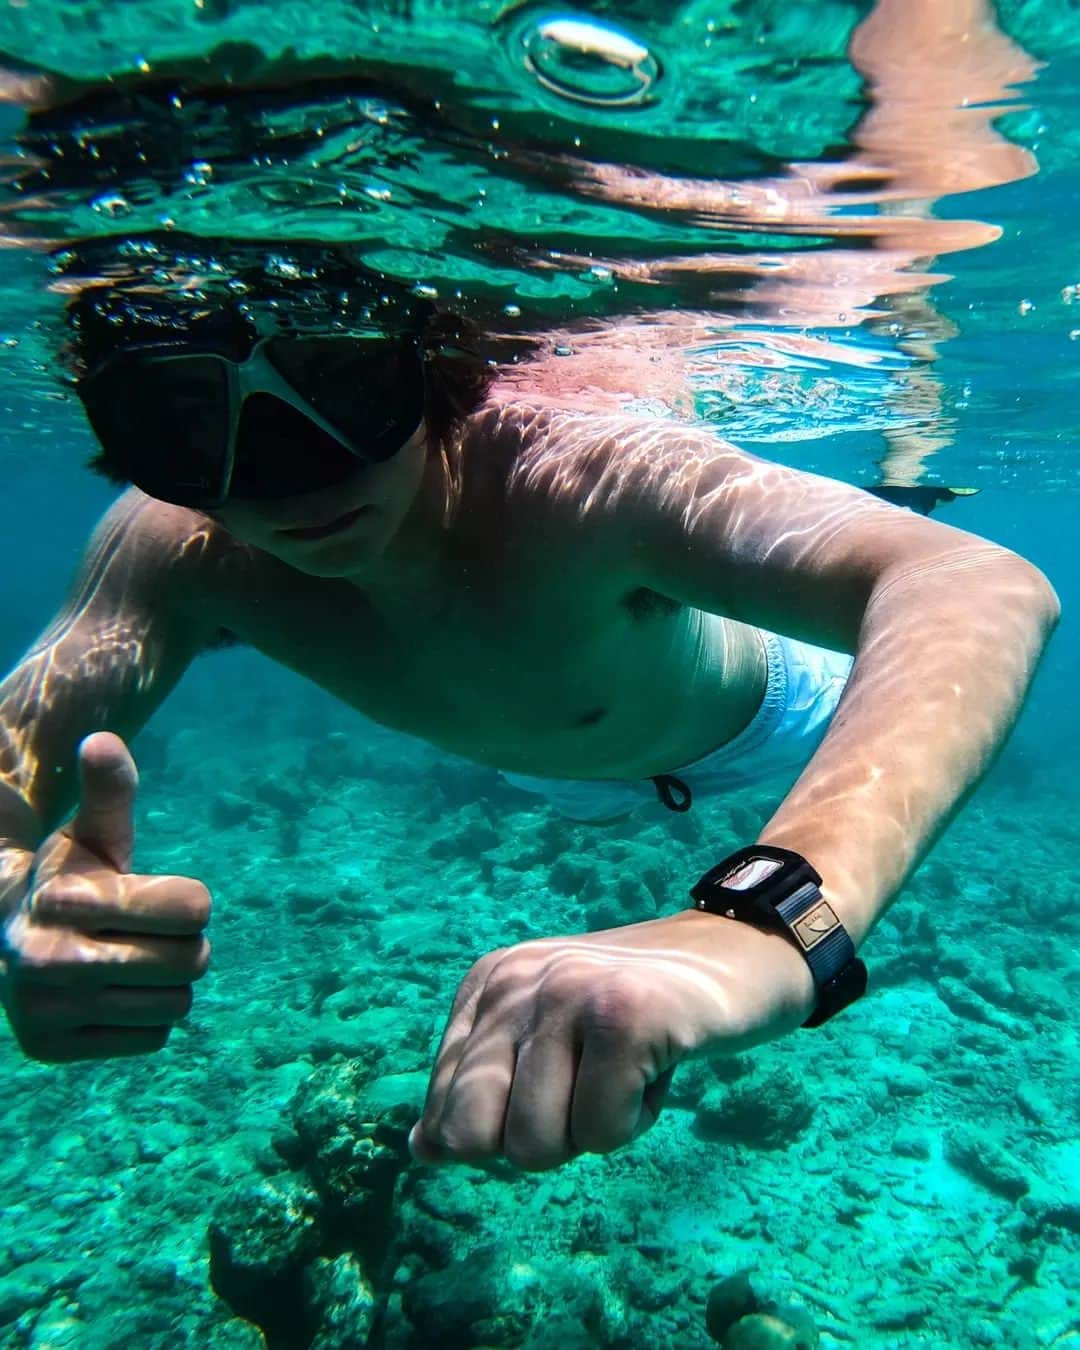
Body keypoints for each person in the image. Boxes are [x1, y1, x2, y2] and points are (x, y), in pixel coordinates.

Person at [0, 268, 1059, 1171]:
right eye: (185, 419)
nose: (289, 473)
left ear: (431, 370)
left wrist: (770, 921)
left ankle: (899, 485)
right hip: (550, 768)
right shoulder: (173, 547)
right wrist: (17, 917)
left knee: (885, 556)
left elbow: (979, 589)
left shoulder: (569, 471)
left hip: (771, 720)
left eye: (342, 383)